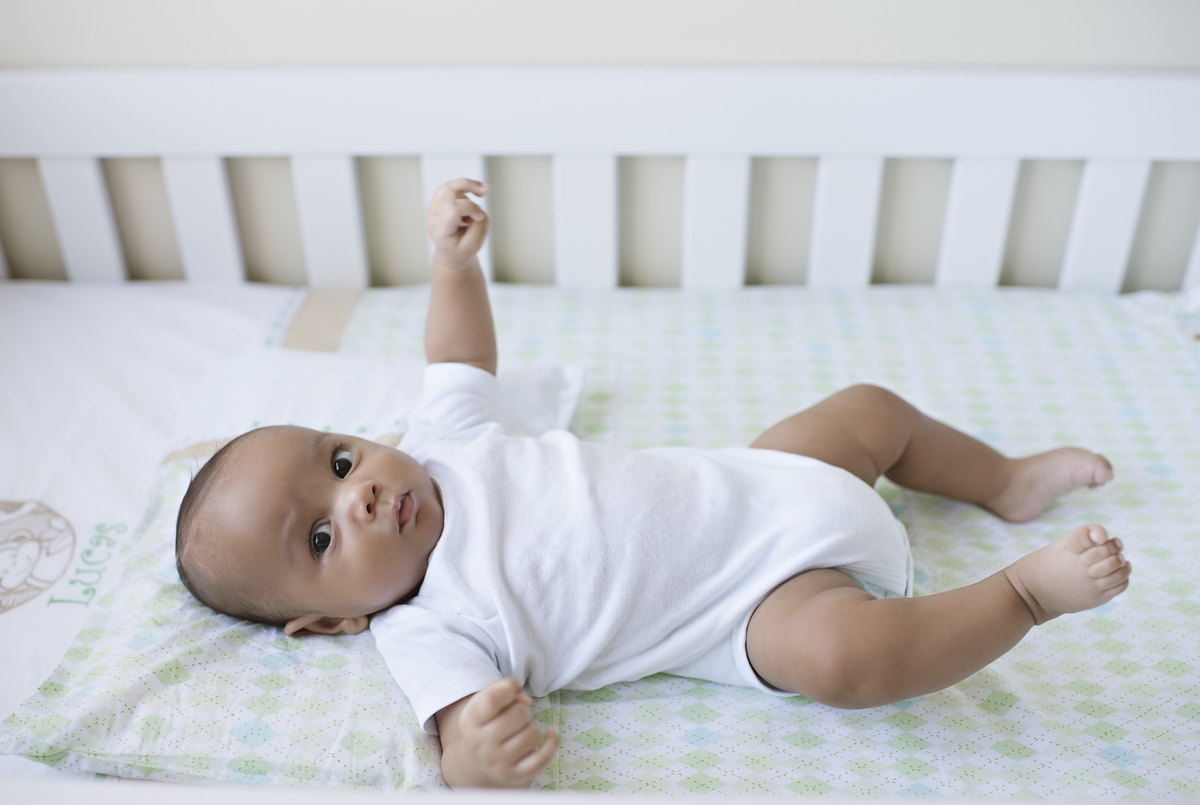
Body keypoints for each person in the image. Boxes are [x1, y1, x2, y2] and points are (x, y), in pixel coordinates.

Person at [175, 179, 1129, 789]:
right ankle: (1021, 595)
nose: (361, 496)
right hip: (746, 606)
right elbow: (460, 733)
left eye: (340, 461)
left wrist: (451, 263)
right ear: (334, 620)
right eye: (320, 538)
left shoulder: (442, 438)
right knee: (845, 661)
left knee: (870, 409)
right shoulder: (425, 626)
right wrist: (477, 757)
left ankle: (1001, 480)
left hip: (763, 477)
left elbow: (457, 354)